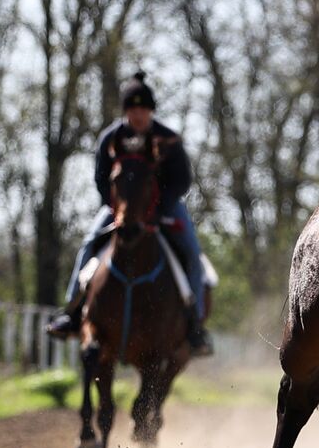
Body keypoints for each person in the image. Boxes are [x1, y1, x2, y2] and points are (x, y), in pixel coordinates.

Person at [46, 72, 213, 357]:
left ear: (151, 110)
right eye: (132, 109)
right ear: (126, 111)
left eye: (143, 109)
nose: (138, 114)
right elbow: (101, 177)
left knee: (192, 253)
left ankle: (194, 323)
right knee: (88, 244)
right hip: (119, 207)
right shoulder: (110, 138)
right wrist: (113, 205)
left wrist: (158, 210)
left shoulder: (169, 139)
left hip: (165, 206)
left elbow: (183, 179)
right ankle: (72, 312)